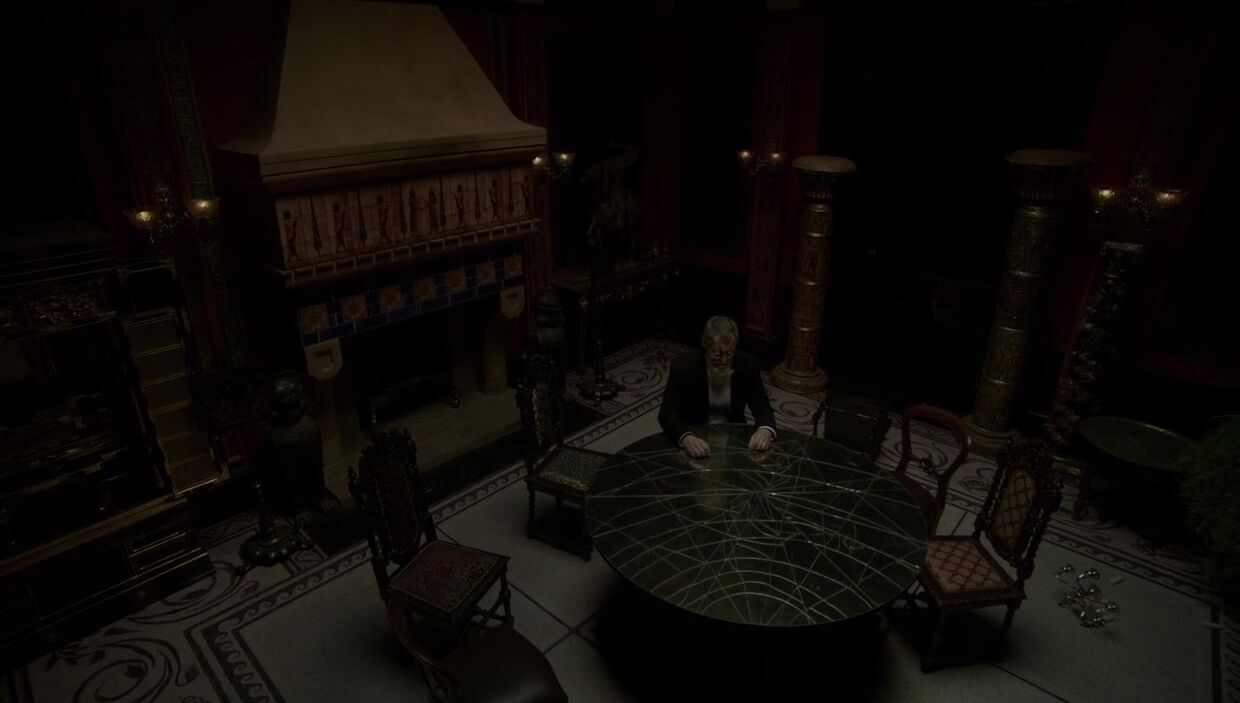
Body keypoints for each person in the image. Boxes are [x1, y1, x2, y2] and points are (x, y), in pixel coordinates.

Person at [658, 316, 777, 459]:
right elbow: (667, 414)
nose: (724, 360)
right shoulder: (683, 367)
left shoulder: (748, 364)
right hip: (696, 433)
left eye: (729, 354)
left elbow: (762, 406)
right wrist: (686, 437)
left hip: (733, 434)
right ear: (705, 345)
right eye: (718, 354)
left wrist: (765, 430)